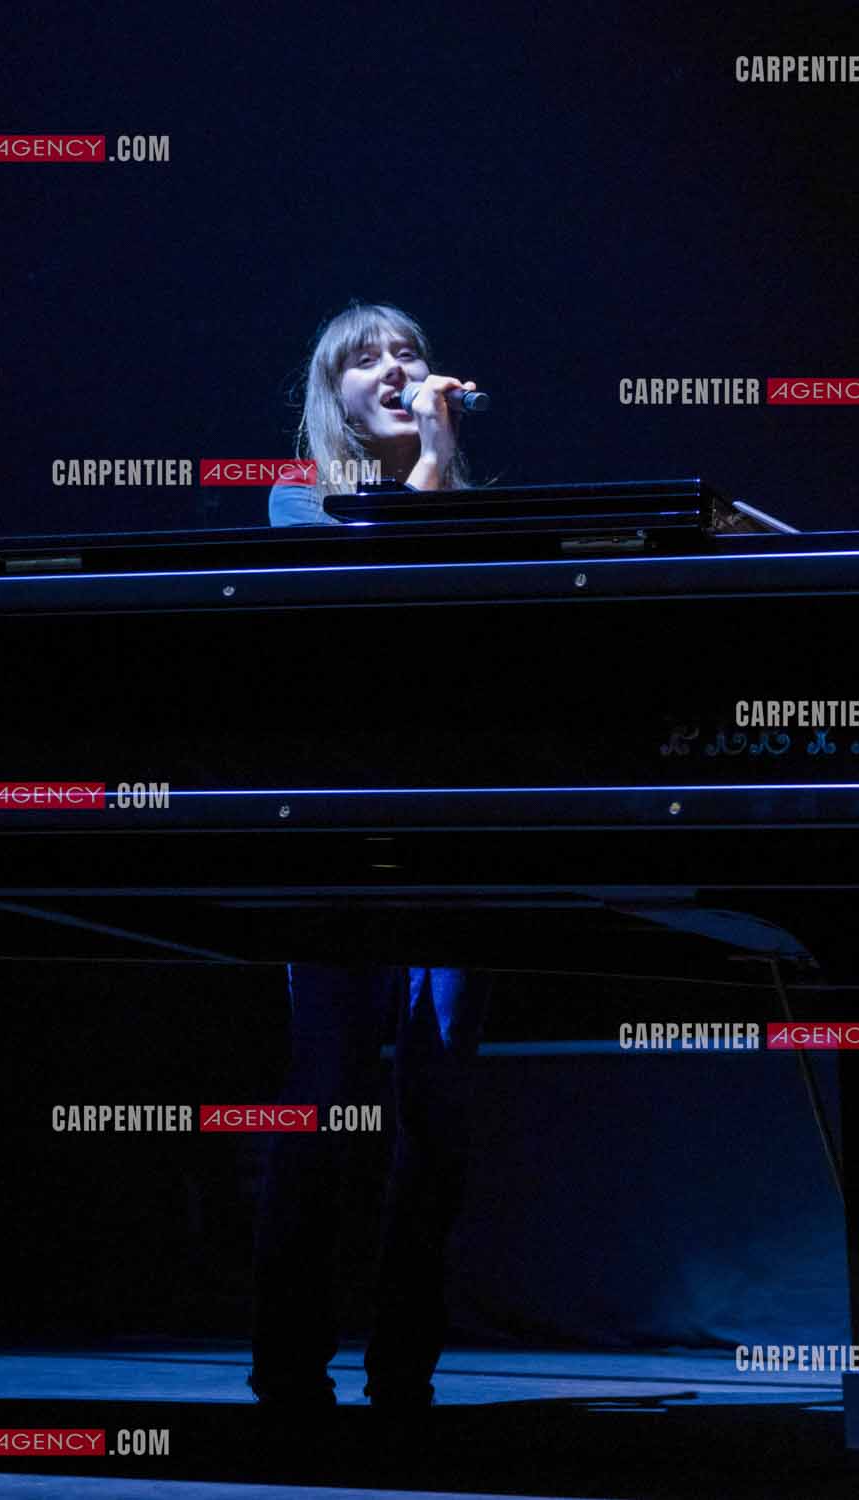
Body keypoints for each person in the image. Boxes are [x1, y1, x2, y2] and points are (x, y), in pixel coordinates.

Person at [249, 302, 489, 1411]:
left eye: (412, 355)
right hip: (335, 847)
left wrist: (442, 471)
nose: (398, 370)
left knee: (437, 1109)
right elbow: (376, 600)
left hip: (449, 848)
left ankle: (404, 1363)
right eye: (370, 360)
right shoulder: (297, 496)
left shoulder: (470, 510)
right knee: (324, 1102)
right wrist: (432, 470)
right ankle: (289, 1362)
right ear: (333, 393)